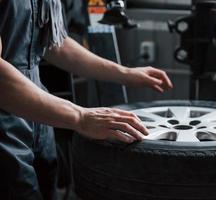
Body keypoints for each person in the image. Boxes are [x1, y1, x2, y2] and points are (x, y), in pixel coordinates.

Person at [0, 0, 173, 199]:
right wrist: (81, 117)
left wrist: (125, 73)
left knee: (49, 190)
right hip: (6, 117)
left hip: (40, 112)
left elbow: (54, 43)